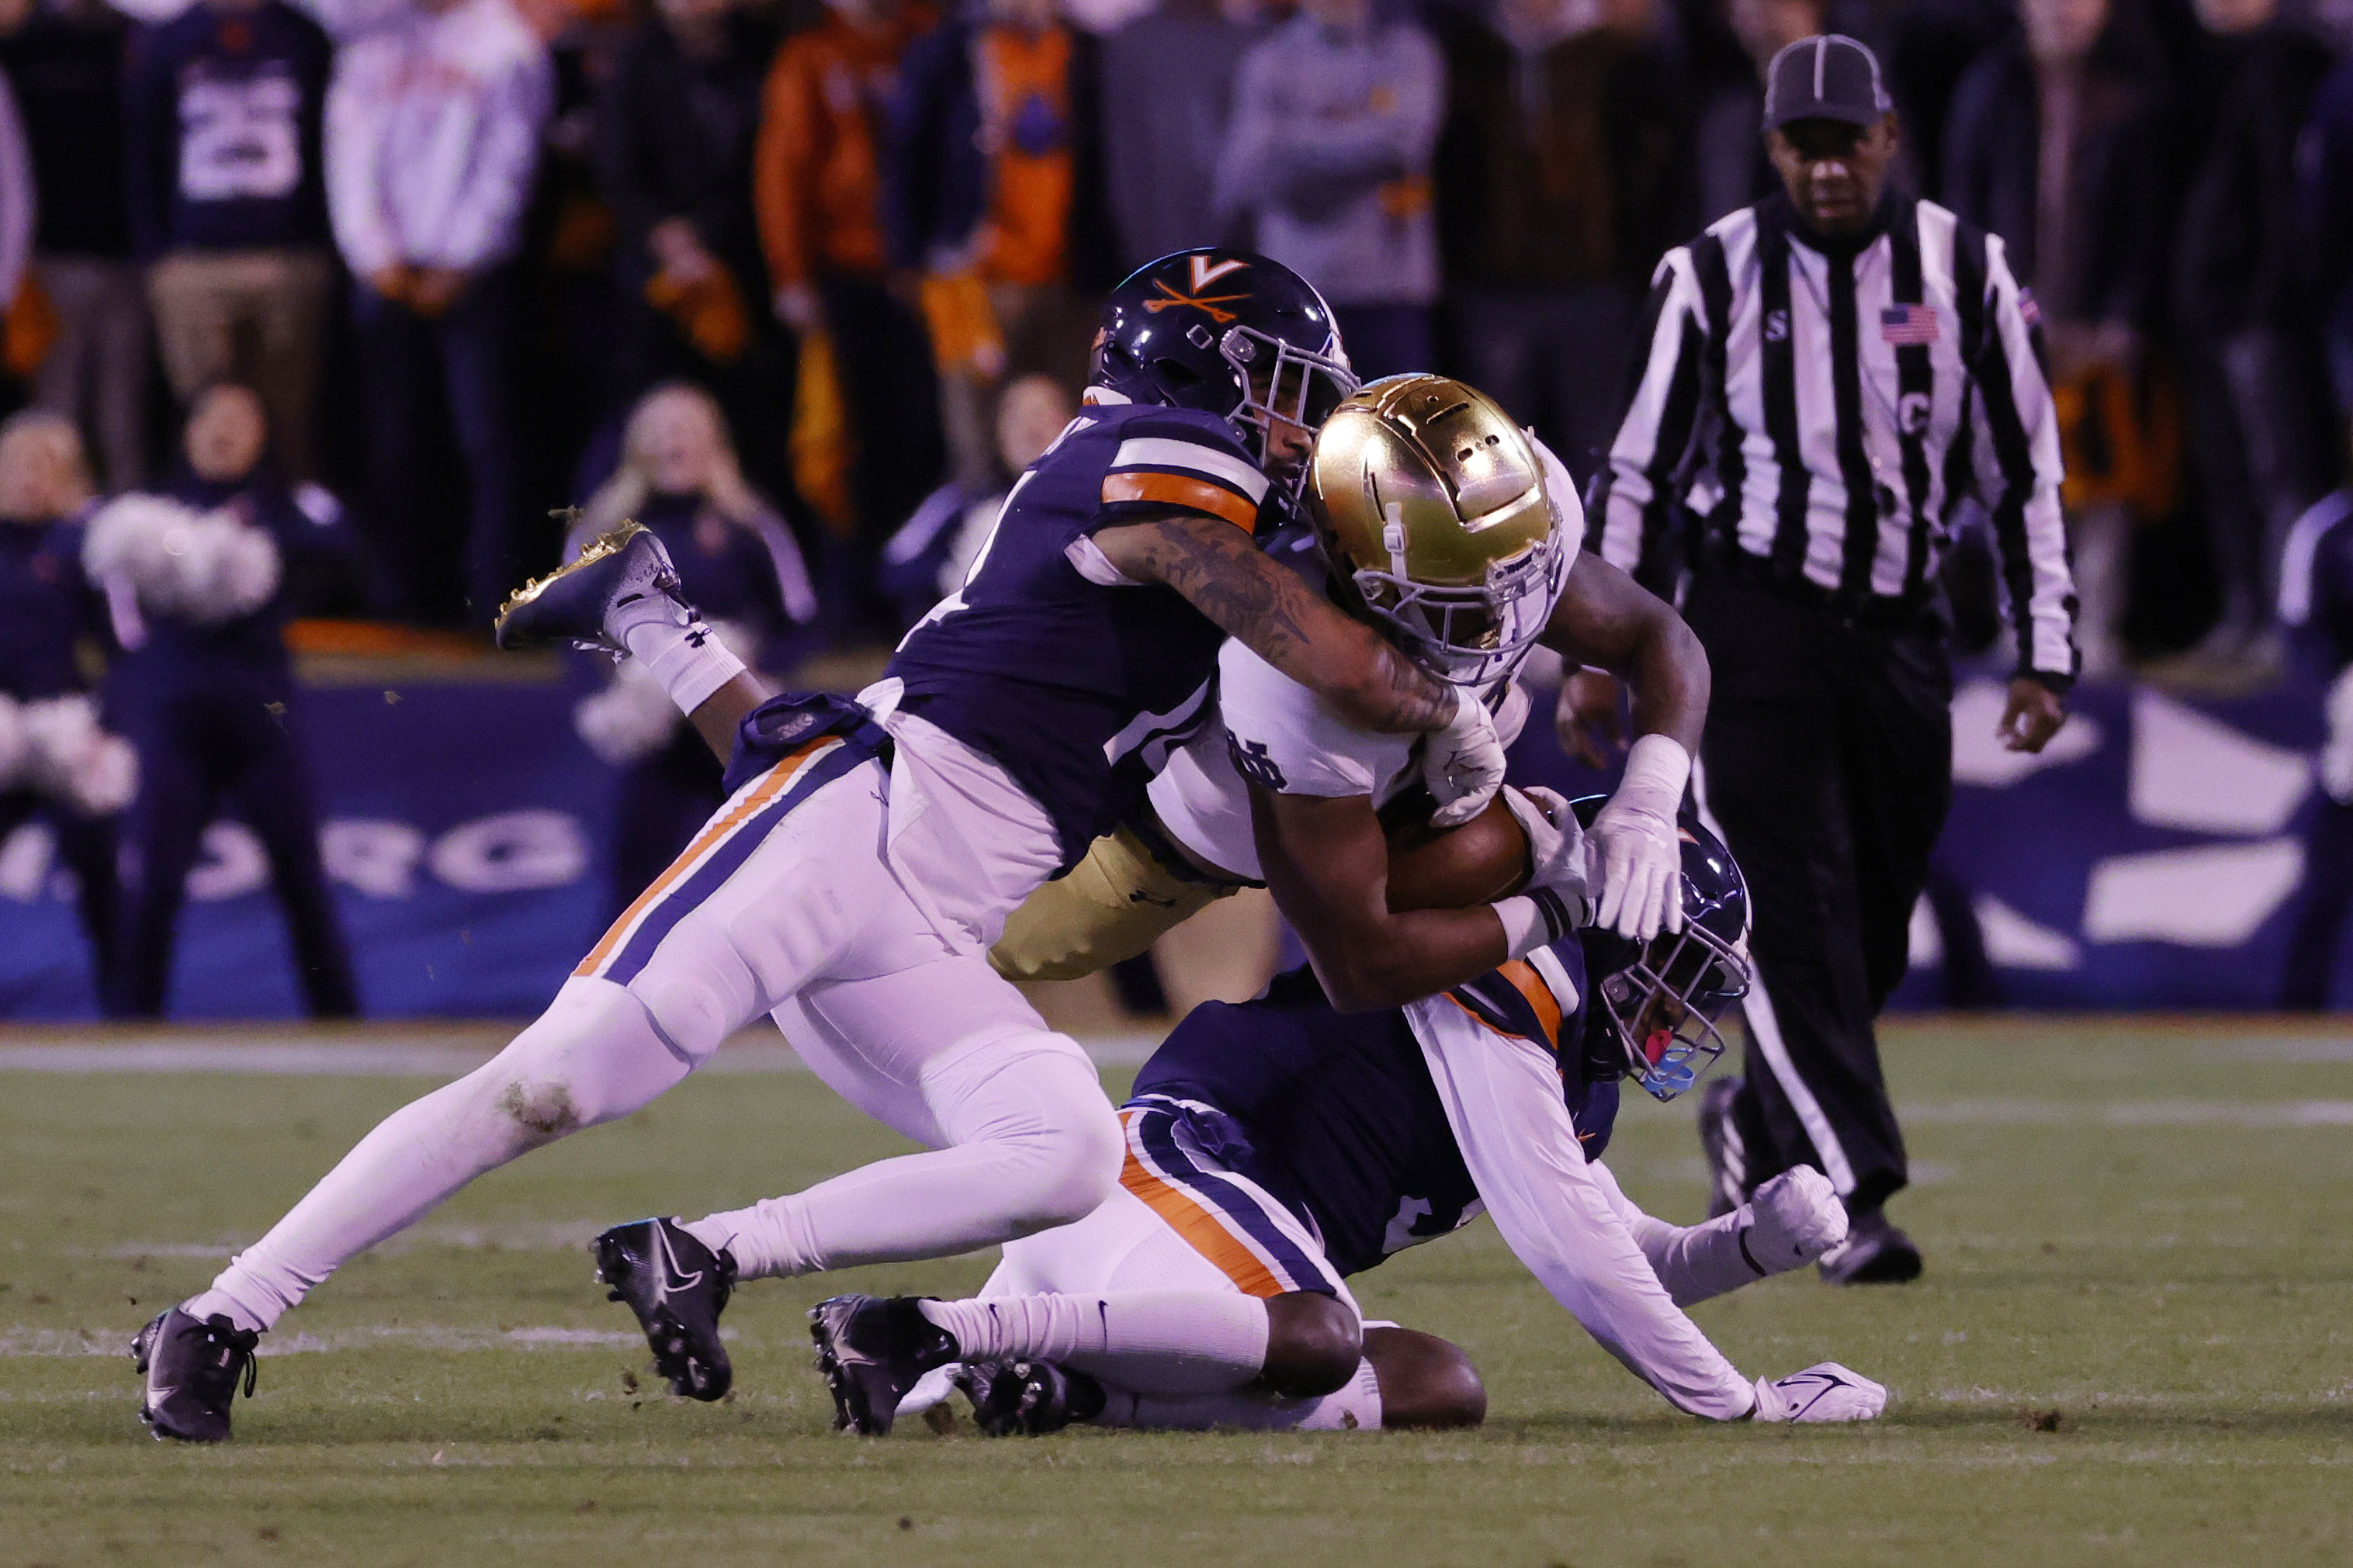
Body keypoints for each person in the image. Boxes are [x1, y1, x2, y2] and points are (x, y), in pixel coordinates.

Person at [130, 249, 1506, 1442]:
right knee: (560, 1080)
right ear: (1202, 371)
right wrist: (1448, 697)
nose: (1301, 421)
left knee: (1064, 1151)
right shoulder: (1163, 453)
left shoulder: (1244, 511)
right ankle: (220, 1313)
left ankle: (703, 1249)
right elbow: (1312, 645)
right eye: (1283, 386)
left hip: (937, 913)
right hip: (861, 816)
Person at [809, 813, 1883, 1437]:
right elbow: (1582, 1258)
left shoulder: (1563, 1069)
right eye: (1671, 975)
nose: (1676, 1014)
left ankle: (1059, 1387)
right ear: (1609, 931)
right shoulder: (1506, 983)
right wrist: (1744, 1404)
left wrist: (1751, 1245)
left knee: (1434, 1385)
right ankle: (947, 1332)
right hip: (1169, 1175)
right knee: (1321, 1337)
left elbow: (1630, 1254)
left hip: (1187, 1259)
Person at [1589, 35, 2075, 1284]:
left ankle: (1752, 1130)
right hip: (1751, 624)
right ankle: (1853, 1194)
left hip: (1903, 631)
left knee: (1871, 930)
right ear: (1771, 149)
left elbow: (2023, 467)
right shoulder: (1710, 274)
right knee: (1792, 919)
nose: (1825, 168)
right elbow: (1637, 472)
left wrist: (2047, 646)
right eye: (1802, 146)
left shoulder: (1967, 270)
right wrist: (1601, 646)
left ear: (1889, 137)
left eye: (1845, 142)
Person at [989, 373, 1703, 1009]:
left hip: (1378, 786)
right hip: (1139, 846)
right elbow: (1360, 967)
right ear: (1357, 570)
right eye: (1458, 600)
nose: (1504, 622)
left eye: (1517, 579)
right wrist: (1563, 903)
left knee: (1512, 848)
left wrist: (1648, 801)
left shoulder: (1501, 510)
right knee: (969, 940)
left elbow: (1662, 635)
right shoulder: (1286, 676)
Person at [94, 382, 360, 1022]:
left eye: (239, 419)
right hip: (175, 721)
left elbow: (345, 558)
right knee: (155, 884)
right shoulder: (147, 509)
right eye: (210, 417)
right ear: (187, 431)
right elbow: (102, 585)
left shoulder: (288, 504)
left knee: (302, 881)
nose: (222, 431)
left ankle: (343, 1027)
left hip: (261, 724)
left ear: (261, 437)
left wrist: (257, 532)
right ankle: (130, 1032)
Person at [1942, 0, 2169, 679]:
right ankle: (2024, 631)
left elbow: (2146, 221)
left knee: (2102, 479)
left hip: (2100, 329)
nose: (2064, 10)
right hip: (2011, 325)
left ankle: (2098, 628)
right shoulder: (1989, 92)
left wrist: (2122, 321)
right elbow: (1962, 212)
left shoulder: (2133, 96)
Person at [325, 0, 553, 625]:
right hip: (385, 272)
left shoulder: (505, 41)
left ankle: (490, 598)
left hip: (474, 275)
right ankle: (399, 596)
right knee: (391, 442)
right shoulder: (369, 38)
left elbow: (510, 159)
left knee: (484, 440)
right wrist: (374, 254)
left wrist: (463, 258)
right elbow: (348, 150)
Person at [568, 382, 817, 916]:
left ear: (715, 441)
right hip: (653, 735)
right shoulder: (607, 531)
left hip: (731, 736)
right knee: (638, 884)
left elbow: (800, 618)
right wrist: (617, 686)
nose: (670, 441)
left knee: (753, 875)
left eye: (683, 428)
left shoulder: (749, 522)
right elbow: (569, 624)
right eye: (657, 430)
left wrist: (755, 672)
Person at [1426, 0, 1695, 483]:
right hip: (1494, 288)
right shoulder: (1468, 50)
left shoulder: (1621, 53)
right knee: (1491, 458)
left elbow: (1657, 168)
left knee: (1599, 451)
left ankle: (1598, 535)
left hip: (1596, 286)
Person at [2162, 0, 2334, 678]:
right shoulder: (2198, 66)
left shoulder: (2292, 64)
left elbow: (2289, 202)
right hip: (2213, 309)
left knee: (2284, 476)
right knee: (2230, 474)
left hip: (2265, 316)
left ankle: (2290, 627)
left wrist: (2268, 299)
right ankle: (2245, 615)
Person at [757, 0, 945, 601]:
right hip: (844, 274)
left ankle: (918, 591)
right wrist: (792, 276)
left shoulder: (928, 41)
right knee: (843, 438)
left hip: (927, 274)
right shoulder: (811, 55)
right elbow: (784, 171)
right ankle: (850, 597)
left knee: (928, 436)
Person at [885, 0, 1116, 486]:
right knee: (977, 444)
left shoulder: (1085, 51)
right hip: (973, 281)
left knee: (1078, 436)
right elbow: (905, 157)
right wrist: (908, 256)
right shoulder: (947, 53)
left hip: (1069, 280)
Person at [123, 0, 334, 483]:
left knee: (287, 419)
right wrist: (159, 256)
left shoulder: (303, 37)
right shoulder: (171, 39)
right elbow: (143, 151)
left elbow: (330, 140)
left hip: (287, 259)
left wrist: (316, 248)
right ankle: (199, 520)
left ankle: (289, 525)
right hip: (194, 261)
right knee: (205, 416)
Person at [594, 0, 788, 503]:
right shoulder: (636, 61)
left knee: (758, 426)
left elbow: (773, 166)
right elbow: (617, 168)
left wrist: (707, 235)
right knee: (651, 414)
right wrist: (665, 236)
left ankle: (750, 538)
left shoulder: (767, 53)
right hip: (655, 280)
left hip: (749, 273)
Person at [1212, 0, 1442, 380]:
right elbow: (1247, 175)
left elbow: (1405, 142)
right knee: (1305, 416)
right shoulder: (1271, 58)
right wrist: (1363, 127)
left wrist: (1296, 137)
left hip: (1392, 289)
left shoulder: (1406, 51)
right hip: (1300, 292)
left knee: (1403, 416)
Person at [0, 412, 126, 1005]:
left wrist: (106, 727)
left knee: (102, 874)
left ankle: (129, 1012)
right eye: (16, 466)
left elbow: (123, 647)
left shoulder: (81, 547)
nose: (29, 479)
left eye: (43, 467)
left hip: (66, 732)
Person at [0, 0, 144, 490]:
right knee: (55, 414)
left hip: (124, 260)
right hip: (50, 260)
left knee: (121, 417)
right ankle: (50, 527)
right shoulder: (24, 43)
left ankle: (128, 524)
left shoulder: (131, 37)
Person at [1097, 0, 1257, 272]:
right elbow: (1122, 153)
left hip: (1235, 249)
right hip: (1154, 247)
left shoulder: (1251, 45)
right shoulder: (1134, 43)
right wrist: (1136, 238)